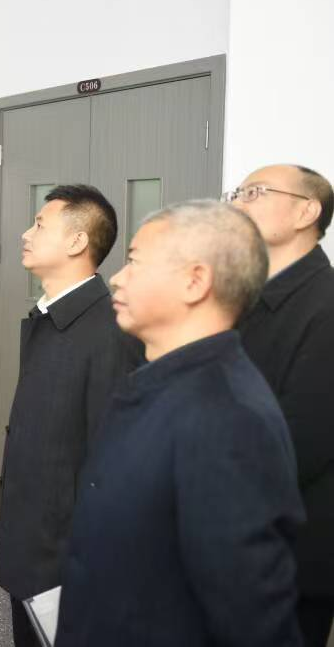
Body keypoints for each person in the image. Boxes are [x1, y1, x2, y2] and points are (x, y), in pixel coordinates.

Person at [56, 201, 305, 647]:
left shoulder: (228, 417)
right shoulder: (159, 379)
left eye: (134, 261)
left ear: (195, 281)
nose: (118, 277)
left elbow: (253, 616)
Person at [0, 185, 142, 646]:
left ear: (78, 241)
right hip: (32, 536)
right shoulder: (50, 315)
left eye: (39, 225)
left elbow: (114, 465)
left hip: (66, 553)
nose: (25, 233)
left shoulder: (111, 332)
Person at [229, 164, 334, 647]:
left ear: (307, 212)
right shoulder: (248, 297)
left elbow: (299, 442)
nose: (238, 203)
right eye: (236, 192)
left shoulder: (325, 305)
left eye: (255, 192)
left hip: (288, 553)